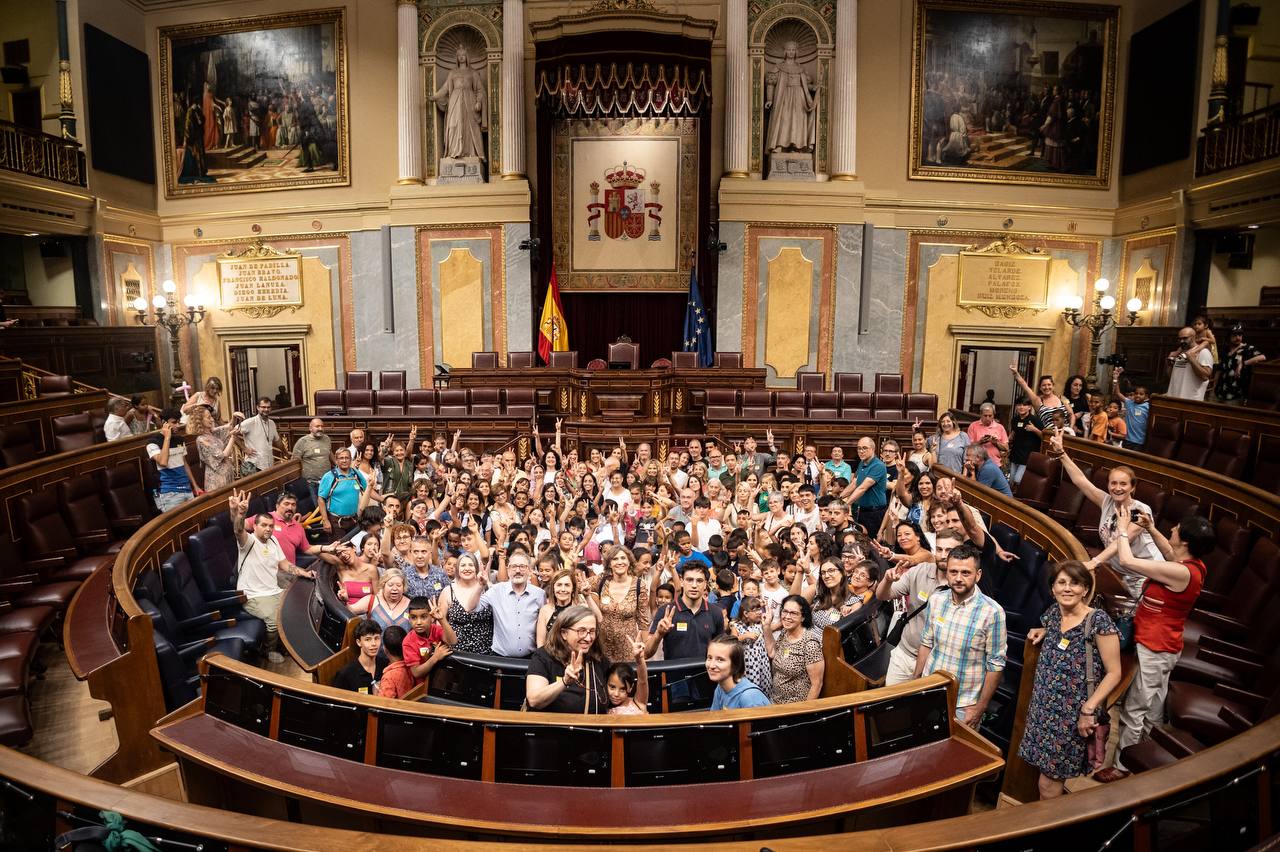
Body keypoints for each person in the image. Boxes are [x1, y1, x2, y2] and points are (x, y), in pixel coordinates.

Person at [1097, 513, 1215, 783]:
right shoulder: (1190, 564)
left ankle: (1122, 766)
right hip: (1159, 644)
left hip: (1156, 648)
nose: (1172, 528)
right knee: (1152, 708)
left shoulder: (1182, 572)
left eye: (1176, 528)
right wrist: (1150, 528)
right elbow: (1169, 553)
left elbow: (1126, 560)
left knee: (1136, 708)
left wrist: (1124, 531)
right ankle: (1147, 757)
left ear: (1184, 540)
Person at [1019, 561, 1122, 799]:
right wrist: (1043, 631)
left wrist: (1088, 709)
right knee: (1045, 775)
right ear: (1052, 588)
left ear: (1086, 589)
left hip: (1072, 715)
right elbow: (1056, 634)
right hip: (1043, 710)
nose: (1067, 589)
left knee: (1049, 781)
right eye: (1061, 583)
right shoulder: (1054, 614)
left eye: (1075, 583)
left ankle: (1049, 830)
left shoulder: (1098, 621)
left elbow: (1114, 672)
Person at [1049, 431, 1160, 640]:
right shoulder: (1108, 501)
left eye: (1123, 484)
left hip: (1146, 578)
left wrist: (1095, 561)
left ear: (1133, 487)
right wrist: (1062, 453)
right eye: (1113, 483)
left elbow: (1121, 541)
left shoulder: (1140, 510)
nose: (1117, 488)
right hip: (1121, 573)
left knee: (1142, 631)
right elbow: (1082, 481)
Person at [913, 543, 1007, 725]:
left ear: (978, 575)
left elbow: (995, 665)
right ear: (946, 572)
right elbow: (927, 643)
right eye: (953, 572)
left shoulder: (992, 612)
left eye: (966, 573)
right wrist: (915, 682)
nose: (958, 578)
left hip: (964, 704)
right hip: (929, 691)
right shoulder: (936, 599)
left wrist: (980, 708)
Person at [228, 489, 316, 664]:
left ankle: (286, 646)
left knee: (292, 612)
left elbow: (285, 564)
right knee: (274, 622)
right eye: (263, 525)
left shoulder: (273, 541)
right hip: (254, 595)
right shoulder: (248, 541)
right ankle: (269, 652)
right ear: (255, 526)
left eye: (270, 525)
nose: (268, 529)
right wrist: (239, 514)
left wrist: (304, 573)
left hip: (274, 590)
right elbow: (238, 530)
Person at [877, 528, 960, 685]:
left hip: (937, 663)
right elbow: (882, 595)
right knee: (890, 703)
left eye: (949, 550)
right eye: (940, 549)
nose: (943, 555)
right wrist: (887, 580)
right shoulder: (920, 571)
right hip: (904, 653)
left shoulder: (962, 586)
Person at [526, 605, 644, 713]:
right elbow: (534, 700)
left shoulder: (597, 659)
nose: (588, 638)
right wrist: (564, 682)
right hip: (553, 734)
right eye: (581, 631)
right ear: (564, 633)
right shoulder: (543, 657)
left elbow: (638, 699)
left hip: (595, 734)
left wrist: (640, 661)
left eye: (592, 632)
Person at [645, 562, 728, 660]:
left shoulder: (715, 612)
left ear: (706, 584)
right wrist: (658, 633)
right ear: (681, 581)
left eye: (699, 581)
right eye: (689, 580)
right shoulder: (666, 611)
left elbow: (720, 651)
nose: (694, 585)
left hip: (705, 673)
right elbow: (647, 653)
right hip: (673, 674)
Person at [478, 550, 545, 657]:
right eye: (514, 566)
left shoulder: (540, 594)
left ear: (529, 570)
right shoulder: (496, 590)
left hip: (530, 658)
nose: (518, 570)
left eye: (522, 566)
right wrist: (479, 585)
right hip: (500, 658)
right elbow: (473, 607)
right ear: (508, 570)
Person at [589, 545, 650, 663]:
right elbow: (577, 584)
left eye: (623, 558)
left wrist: (645, 650)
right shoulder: (601, 581)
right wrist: (572, 565)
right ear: (609, 563)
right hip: (603, 648)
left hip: (629, 649)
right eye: (615, 559)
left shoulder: (639, 585)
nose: (619, 562)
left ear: (629, 561)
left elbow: (643, 621)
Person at [762, 594, 824, 703]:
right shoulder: (785, 632)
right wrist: (766, 626)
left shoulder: (810, 644)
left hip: (795, 708)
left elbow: (817, 684)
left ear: (803, 617)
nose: (787, 617)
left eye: (793, 613)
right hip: (776, 701)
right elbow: (772, 652)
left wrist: (804, 713)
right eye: (785, 611)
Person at [437, 552, 494, 654]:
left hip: (486, 652)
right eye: (463, 565)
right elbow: (439, 623)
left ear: (476, 568)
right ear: (458, 569)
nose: (467, 568)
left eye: (471, 565)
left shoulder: (487, 588)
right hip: (456, 652)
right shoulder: (448, 591)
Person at [148, 409, 198, 512]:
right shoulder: (153, 442)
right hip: (170, 494)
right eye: (174, 422)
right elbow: (163, 462)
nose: (177, 425)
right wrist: (167, 438)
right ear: (164, 423)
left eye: (178, 422)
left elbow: (184, 463)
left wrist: (195, 486)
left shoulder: (179, 440)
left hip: (187, 490)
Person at [706, 635, 772, 710]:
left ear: (735, 664)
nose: (711, 665)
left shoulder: (749, 698)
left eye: (720, 660)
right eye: (709, 658)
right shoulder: (720, 688)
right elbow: (715, 718)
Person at [840, 437, 888, 536]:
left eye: (864, 448)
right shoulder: (862, 463)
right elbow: (854, 483)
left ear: (872, 449)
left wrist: (845, 504)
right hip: (862, 510)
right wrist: (839, 498)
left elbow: (862, 488)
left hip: (875, 512)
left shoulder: (878, 465)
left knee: (871, 542)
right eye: (859, 448)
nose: (861, 451)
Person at [189, 406, 242, 493]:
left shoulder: (212, 433)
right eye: (208, 417)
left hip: (227, 477)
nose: (212, 420)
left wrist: (234, 417)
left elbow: (229, 427)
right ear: (200, 421)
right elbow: (224, 455)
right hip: (217, 482)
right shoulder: (202, 440)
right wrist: (233, 437)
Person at [402, 596, 451, 683]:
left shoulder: (436, 629)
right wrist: (435, 657)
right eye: (413, 618)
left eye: (423, 617)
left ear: (432, 618)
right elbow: (416, 672)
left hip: (440, 681)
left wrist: (442, 619)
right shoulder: (408, 642)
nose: (418, 622)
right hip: (421, 686)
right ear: (409, 619)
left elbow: (452, 641)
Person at [318, 449, 367, 535]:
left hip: (354, 520)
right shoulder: (329, 476)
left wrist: (383, 499)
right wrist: (325, 520)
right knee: (339, 548)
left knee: (354, 547)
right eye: (341, 458)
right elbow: (321, 499)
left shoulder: (356, 474)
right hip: (336, 521)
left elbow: (368, 489)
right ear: (336, 461)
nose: (344, 460)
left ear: (351, 459)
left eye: (347, 458)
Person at [1214, 324, 1266, 404]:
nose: (1238, 337)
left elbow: (1262, 357)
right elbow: (1219, 370)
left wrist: (1243, 363)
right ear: (1229, 336)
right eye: (1234, 335)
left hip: (1237, 391)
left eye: (1240, 335)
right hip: (1221, 390)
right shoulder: (1225, 350)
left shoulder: (1247, 348)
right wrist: (1214, 387)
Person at [331, 619, 386, 694]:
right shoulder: (345, 674)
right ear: (359, 642)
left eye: (377, 638)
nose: (374, 643)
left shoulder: (386, 665)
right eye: (368, 639)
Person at [1165, 327, 1214, 401]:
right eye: (1179, 339)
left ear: (1193, 337)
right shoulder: (1179, 352)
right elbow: (1172, 377)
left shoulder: (1203, 352)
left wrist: (1191, 359)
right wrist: (1169, 364)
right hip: (1173, 398)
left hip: (1191, 401)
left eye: (1185, 338)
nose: (1181, 341)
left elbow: (1205, 376)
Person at [290, 418, 333, 501]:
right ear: (310, 428)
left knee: (328, 505)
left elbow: (330, 452)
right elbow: (294, 461)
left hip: (327, 481)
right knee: (316, 508)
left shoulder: (326, 439)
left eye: (322, 426)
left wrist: (337, 464)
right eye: (317, 426)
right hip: (311, 483)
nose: (320, 429)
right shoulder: (302, 442)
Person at [238, 397, 283, 474]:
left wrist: (285, 452)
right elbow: (232, 433)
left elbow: (278, 441)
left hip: (268, 466)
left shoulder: (272, 423)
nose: (266, 409)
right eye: (263, 407)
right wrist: (244, 449)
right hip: (253, 466)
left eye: (268, 407)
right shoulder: (250, 422)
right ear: (258, 407)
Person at [1110, 368, 1149, 450]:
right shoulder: (1129, 403)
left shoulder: (1148, 406)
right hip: (1127, 439)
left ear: (1146, 396)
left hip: (1139, 441)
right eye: (1136, 393)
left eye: (1141, 394)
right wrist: (1116, 378)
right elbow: (1118, 393)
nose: (1138, 395)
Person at [1008, 397, 1041, 485]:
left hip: (1027, 456)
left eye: (1025, 405)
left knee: (1018, 480)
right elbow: (1013, 433)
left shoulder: (1035, 420)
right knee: (1011, 481)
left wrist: (1034, 429)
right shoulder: (1014, 420)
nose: (1021, 407)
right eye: (1019, 405)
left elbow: (1044, 437)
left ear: (1030, 407)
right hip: (1015, 455)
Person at [376, 626, 416, 700]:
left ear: (385, 649)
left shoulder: (389, 677)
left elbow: (383, 706)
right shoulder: (414, 666)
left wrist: (376, 693)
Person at [368, 568, 412, 635]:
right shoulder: (372, 600)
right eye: (390, 585)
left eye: (399, 585)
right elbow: (350, 611)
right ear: (383, 585)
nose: (394, 588)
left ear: (403, 587)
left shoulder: (411, 604)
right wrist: (345, 599)